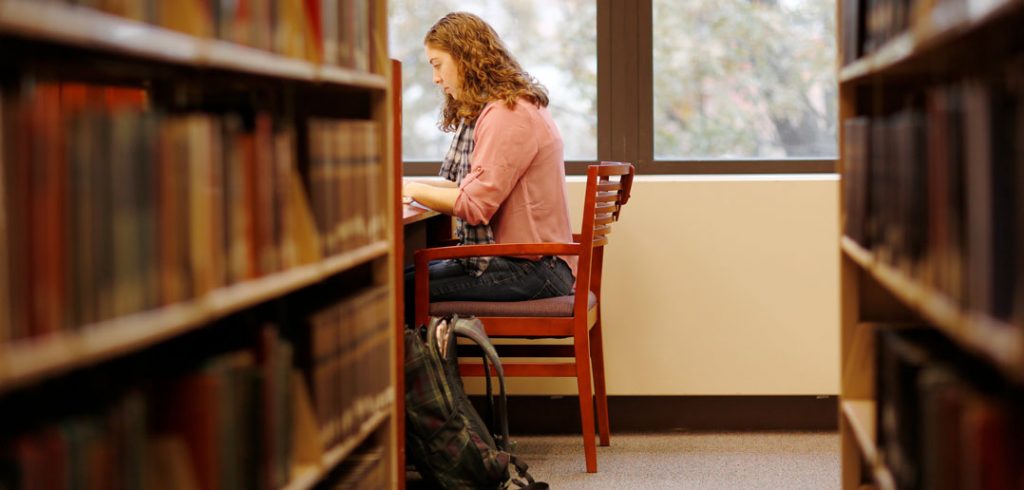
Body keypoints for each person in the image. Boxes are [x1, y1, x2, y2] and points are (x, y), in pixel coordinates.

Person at [402, 11, 576, 326]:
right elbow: (471, 186)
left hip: (532, 270)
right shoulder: (516, 105)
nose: (436, 79)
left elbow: (473, 205)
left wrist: (412, 190)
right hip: (539, 265)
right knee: (403, 278)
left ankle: (422, 376)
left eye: (437, 65)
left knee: (395, 290)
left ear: (465, 58)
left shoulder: (507, 114)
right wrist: (410, 185)